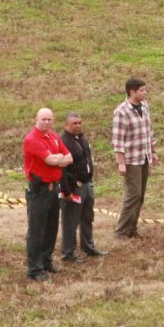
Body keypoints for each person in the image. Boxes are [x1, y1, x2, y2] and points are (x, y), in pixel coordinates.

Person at [23, 107, 73, 282]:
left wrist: (57, 158)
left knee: (52, 227)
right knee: (37, 230)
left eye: (49, 119)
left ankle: (46, 261)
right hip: (39, 190)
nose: (47, 122)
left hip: (54, 189)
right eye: (43, 119)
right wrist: (59, 159)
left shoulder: (53, 136)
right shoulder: (32, 139)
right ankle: (34, 269)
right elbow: (50, 160)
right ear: (36, 120)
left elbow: (70, 157)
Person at [112, 77, 158, 239]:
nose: (145, 93)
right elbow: (118, 141)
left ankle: (132, 228)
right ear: (132, 92)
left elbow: (149, 130)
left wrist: (152, 151)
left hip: (144, 157)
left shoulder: (144, 107)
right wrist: (121, 163)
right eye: (142, 90)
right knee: (133, 195)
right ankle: (121, 231)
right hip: (131, 160)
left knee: (141, 195)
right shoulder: (121, 112)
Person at [59, 112, 106, 262]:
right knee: (70, 221)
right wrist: (66, 191)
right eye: (74, 123)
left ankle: (88, 246)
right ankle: (68, 253)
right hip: (74, 187)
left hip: (87, 184)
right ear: (66, 125)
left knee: (87, 217)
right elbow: (62, 170)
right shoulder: (63, 142)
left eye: (79, 122)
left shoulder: (82, 139)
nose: (78, 125)